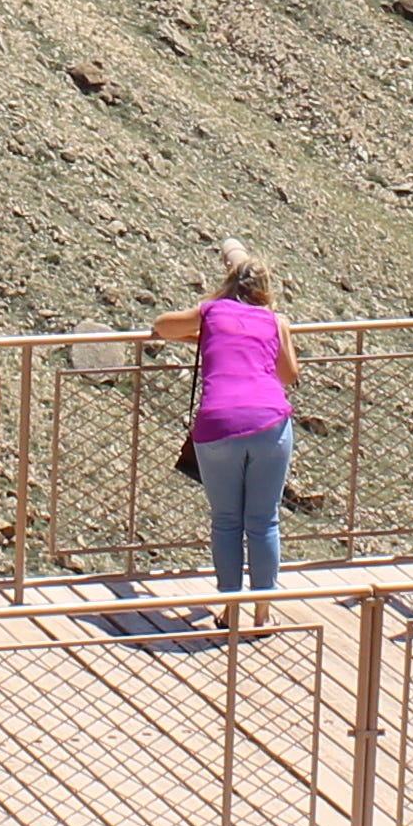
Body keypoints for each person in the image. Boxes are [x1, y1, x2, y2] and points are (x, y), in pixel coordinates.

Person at [149, 251, 297, 629]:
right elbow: (288, 373)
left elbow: (162, 326)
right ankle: (263, 613)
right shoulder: (275, 320)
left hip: (218, 424)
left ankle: (230, 610)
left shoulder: (212, 311)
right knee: (263, 521)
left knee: (227, 521)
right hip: (269, 422)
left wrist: (207, 335)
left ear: (229, 283)